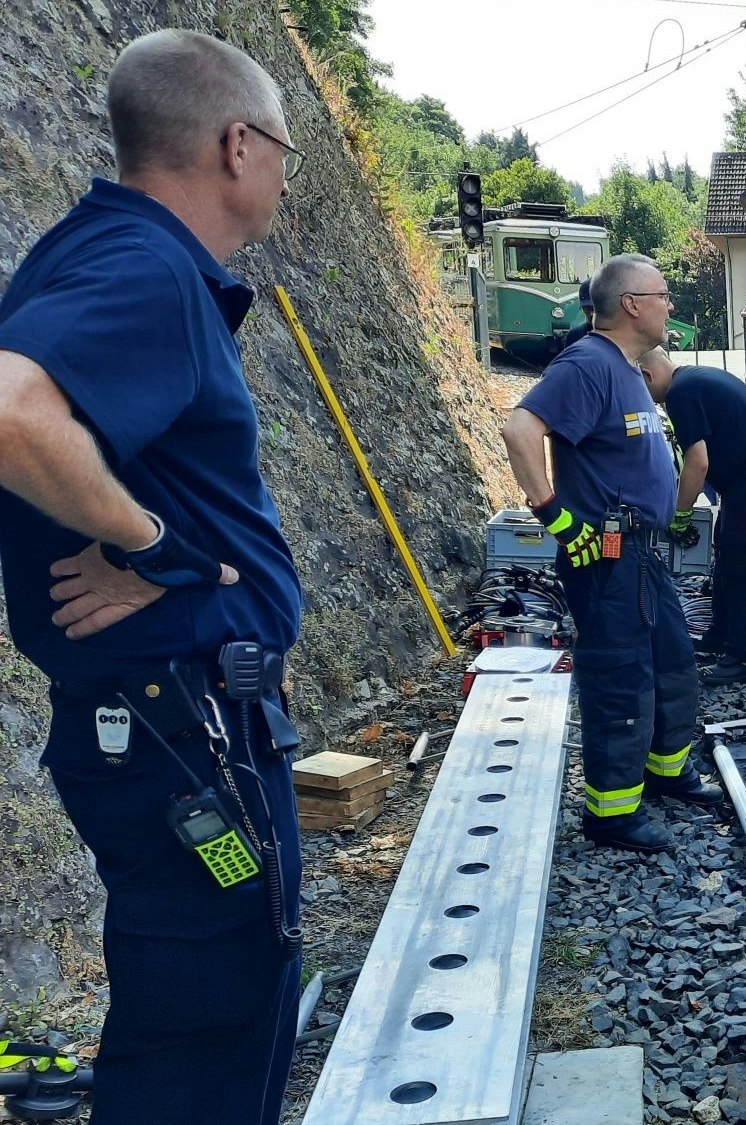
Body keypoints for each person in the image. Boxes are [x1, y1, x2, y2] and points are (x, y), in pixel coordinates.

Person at [0, 30, 306, 1125]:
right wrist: (151, 545)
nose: (282, 171)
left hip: (170, 729)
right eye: (282, 148)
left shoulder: (107, 254)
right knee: (207, 1023)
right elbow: (9, 409)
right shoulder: (146, 268)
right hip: (185, 737)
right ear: (236, 144)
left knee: (207, 1000)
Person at [502, 254, 723, 854]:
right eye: (662, 295)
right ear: (630, 304)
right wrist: (556, 517)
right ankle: (612, 813)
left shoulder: (627, 367)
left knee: (673, 663)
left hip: (642, 555)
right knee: (622, 675)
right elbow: (519, 431)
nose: (670, 304)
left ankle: (665, 770)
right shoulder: (588, 365)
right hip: (606, 553)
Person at [638, 350, 746, 685]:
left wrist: (679, 515)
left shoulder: (680, 393)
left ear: (647, 375)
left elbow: (697, 463)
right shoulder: (696, 377)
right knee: (726, 556)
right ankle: (720, 636)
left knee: (741, 565)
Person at [560, 275, 594, 353]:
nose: (591, 313)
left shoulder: (621, 333)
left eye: (594, 307)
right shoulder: (575, 335)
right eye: (587, 308)